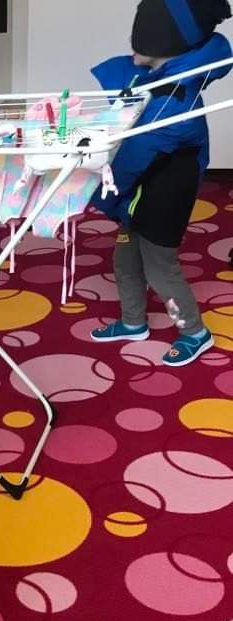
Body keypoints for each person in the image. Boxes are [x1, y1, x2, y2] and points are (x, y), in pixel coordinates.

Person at [90, 0, 232, 366]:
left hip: (165, 195)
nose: (133, 48)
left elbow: (133, 158)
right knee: (125, 258)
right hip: (141, 190)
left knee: (159, 268)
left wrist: (104, 194)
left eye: (143, 42)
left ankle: (195, 332)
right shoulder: (153, 79)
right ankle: (133, 322)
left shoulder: (173, 102)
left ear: (166, 45)